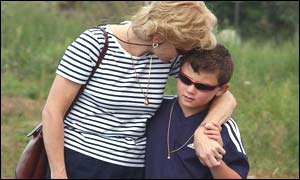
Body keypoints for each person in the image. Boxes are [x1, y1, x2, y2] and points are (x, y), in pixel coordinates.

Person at [42, 1, 236, 179]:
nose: (184, 55)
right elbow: (52, 111)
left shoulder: (165, 57)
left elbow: (225, 97)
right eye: (182, 50)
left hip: (134, 170)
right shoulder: (95, 44)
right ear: (160, 36)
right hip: (81, 163)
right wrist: (59, 173)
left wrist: (204, 130)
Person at [145, 44, 249, 179]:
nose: (190, 90)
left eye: (202, 86)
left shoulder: (222, 127)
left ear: (222, 90)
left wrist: (214, 161)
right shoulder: (157, 109)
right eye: (185, 80)